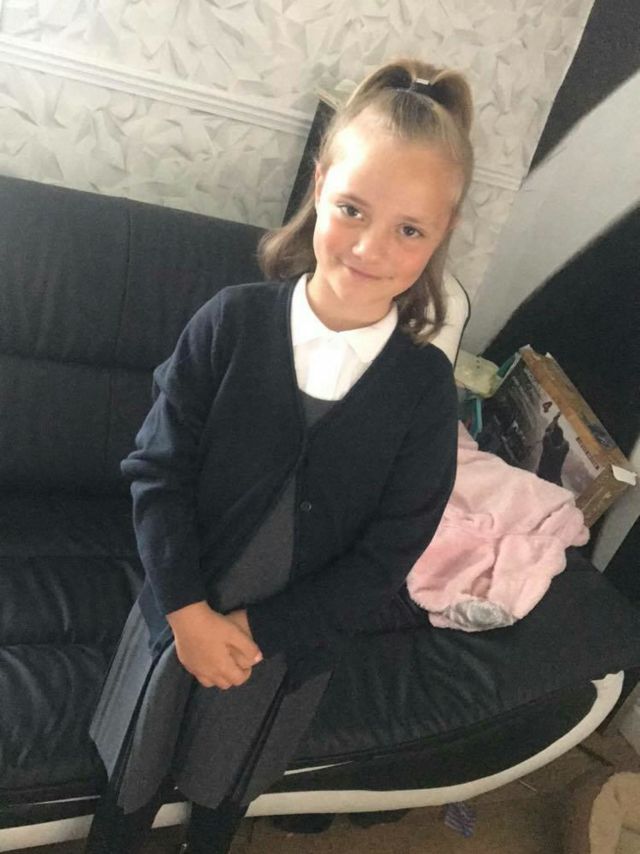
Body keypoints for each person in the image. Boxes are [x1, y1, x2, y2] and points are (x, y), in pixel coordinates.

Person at [84, 56, 475, 854]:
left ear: (440, 235)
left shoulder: (424, 390)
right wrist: (189, 615)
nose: (370, 247)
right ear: (320, 185)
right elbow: (157, 472)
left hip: (289, 649)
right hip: (174, 618)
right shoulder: (229, 323)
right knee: (126, 794)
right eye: (353, 209)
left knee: (222, 799)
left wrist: (258, 631)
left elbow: (389, 553)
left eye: (409, 229)